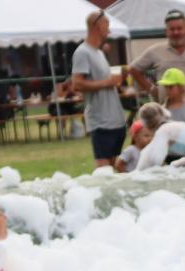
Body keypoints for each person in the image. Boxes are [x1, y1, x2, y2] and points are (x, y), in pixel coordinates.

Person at [72, 11, 128, 168]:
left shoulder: (99, 53)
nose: (109, 30)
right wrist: (107, 82)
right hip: (101, 122)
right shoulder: (82, 52)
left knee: (113, 169)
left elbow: (104, 82)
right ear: (97, 25)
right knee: (104, 171)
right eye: (107, 24)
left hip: (116, 120)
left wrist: (115, 82)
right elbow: (77, 84)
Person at [130, 9, 185, 107]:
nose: (176, 32)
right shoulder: (156, 51)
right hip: (169, 111)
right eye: (172, 29)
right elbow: (133, 69)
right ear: (166, 32)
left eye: (179, 28)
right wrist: (151, 89)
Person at [135, 102, 185, 169]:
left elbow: (156, 159)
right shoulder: (176, 126)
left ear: (146, 124)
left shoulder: (163, 131)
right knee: (175, 165)